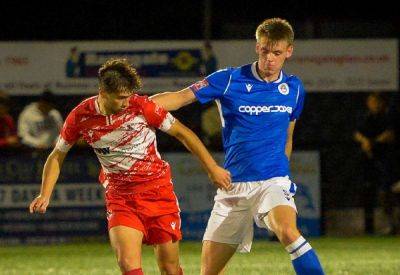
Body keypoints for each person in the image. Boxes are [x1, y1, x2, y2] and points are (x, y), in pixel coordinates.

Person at [150, 18, 324, 275]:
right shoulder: (229, 79)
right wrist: (138, 104)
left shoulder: (294, 88)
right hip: (233, 186)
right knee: (208, 272)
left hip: (272, 181)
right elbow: (181, 97)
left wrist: (283, 175)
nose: (270, 59)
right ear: (257, 47)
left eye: (277, 53)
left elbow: (288, 136)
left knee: (287, 231)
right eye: (265, 51)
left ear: (289, 51)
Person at [29, 58, 232, 275]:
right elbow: (57, 155)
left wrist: (212, 167)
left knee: (170, 268)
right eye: (121, 98)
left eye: (128, 96)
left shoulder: (142, 106)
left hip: (158, 192)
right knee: (128, 264)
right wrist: (45, 194)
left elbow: (183, 133)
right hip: (121, 198)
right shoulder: (81, 116)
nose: (127, 103)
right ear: (102, 92)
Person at [354, 92, 399, 235]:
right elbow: (357, 133)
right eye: (370, 102)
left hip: (391, 161)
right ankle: (386, 226)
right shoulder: (367, 117)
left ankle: (393, 225)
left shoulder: (390, 116)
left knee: (389, 192)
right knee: (377, 192)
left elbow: (389, 135)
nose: (372, 105)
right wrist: (364, 141)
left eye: (375, 102)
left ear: (381, 103)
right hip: (373, 161)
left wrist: (372, 142)